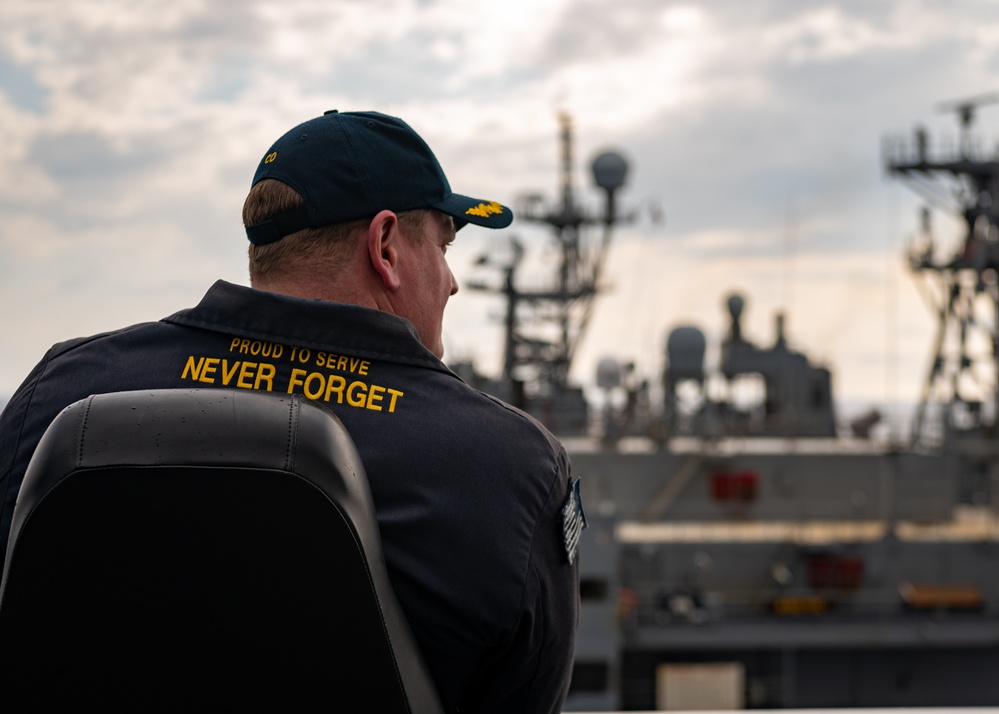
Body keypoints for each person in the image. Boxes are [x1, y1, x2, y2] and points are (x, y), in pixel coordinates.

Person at [0, 110, 580, 712]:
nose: (453, 282)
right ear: (386, 247)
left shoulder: (59, 391)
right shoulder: (511, 469)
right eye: (443, 244)